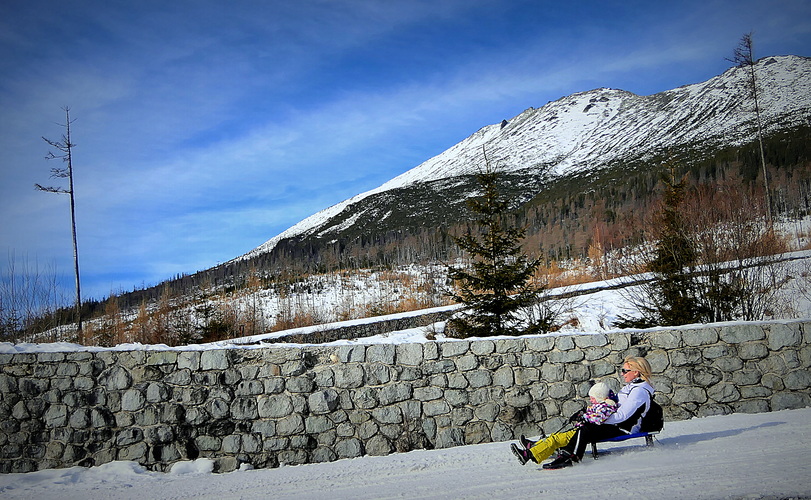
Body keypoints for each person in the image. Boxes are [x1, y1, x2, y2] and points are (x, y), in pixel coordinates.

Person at [542, 355, 655, 470]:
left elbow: (622, 416)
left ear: (636, 372)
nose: (622, 374)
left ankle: (571, 457)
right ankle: (559, 451)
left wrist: (595, 419)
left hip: (625, 427)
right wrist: (589, 414)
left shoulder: (639, 391)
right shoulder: (632, 387)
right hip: (617, 424)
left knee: (586, 429)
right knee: (584, 426)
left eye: (625, 371)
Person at [511, 381, 617, 466]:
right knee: (555, 437)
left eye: (593, 398)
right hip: (579, 430)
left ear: (599, 397)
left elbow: (597, 418)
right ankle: (533, 448)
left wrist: (583, 417)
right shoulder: (599, 405)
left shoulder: (606, 407)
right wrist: (581, 414)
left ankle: (528, 454)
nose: (591, 400)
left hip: (582, 432)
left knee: (555, 440)